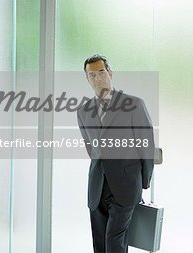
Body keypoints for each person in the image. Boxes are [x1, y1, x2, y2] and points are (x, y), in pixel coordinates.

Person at [77, 54, 154, 253]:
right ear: (87, 79)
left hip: (126, 185)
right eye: (91, 75)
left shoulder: (134, 104)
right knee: (100, 242)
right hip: (97, 186)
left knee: (114, 241)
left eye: (101, 72)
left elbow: (146, 146)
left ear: (110, 73)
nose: (97, 78)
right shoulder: (83, 111)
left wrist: (143, 183)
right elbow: (91, 148)